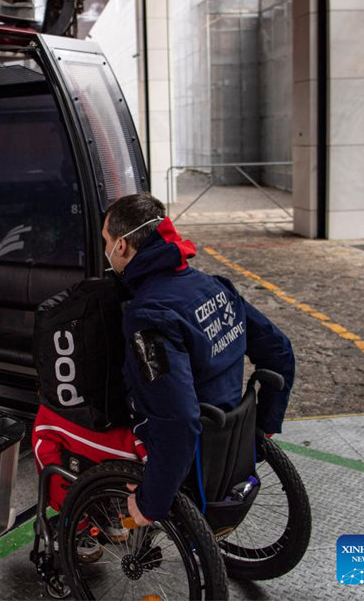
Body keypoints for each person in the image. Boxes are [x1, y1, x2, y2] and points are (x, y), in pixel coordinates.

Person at [102, 193, 295, 527]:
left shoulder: (148, 315)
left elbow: (178, 419)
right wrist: (262, 426)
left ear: (121, 245)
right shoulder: (215, 286)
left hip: (190, 450)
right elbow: (279, 350)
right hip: (231, 429)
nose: (106, 249)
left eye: (105, 240)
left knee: (63, 432)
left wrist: (151, 504)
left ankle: (102, 525)